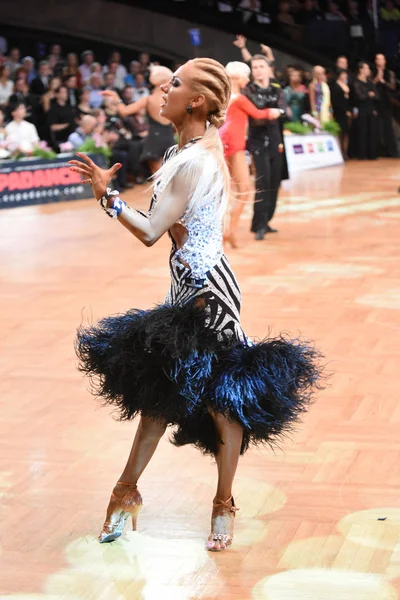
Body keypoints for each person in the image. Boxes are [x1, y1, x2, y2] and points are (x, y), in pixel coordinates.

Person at [69, 57, 323, 552]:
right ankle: (125, 492)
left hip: (210, 294)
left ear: (197, 101)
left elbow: (149, 233)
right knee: (156, 401)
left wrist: (109, 197)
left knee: (223, 405)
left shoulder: (196, 161)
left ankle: (223, 504)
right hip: (183, 291)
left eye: (175, 84)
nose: (164, 89)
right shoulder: (182, 152)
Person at [219, 61, 282, 248]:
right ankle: (228, 232)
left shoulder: (225, 96)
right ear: (238, 78)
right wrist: (274, 111)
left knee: (228, 190)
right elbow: (258, 114)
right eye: (246, 75)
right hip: (234, 143)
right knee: (244, 190)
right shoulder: (238, 98)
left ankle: (228, 231)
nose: (249, 78)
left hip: (223, 141)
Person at [242, 54, 288, 240]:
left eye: (261, 66)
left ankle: (267, 220)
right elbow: (255, 115)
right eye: (255, 67)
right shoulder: (248, 90)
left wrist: (274, 112)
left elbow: (284, 111)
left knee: (275, 182)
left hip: (276, 140)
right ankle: (258, 225)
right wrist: (270, 112)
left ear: (269, 68)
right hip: (257, 141)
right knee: (263, 182)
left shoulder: (277, 90)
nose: (258, 70)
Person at [103, 66, 175, 174]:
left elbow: (124, 111)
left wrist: (116, 97)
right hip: (169, 136)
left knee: (158, 175)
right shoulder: (173, 98)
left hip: (154, 138)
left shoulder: (148, 99)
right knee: (170, 173)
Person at [351, 61, 378, 160]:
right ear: (361, 70)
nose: (368, 70)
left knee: (372, 132)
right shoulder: (356, 82)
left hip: (371, 109)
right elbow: (360, 97)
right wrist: (369, 94)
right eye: (366, 68)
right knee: (362, 132)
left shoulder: (370, 82)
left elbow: (377, 95)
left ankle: (372, 154)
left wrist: (370, 95)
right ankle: (362, 154)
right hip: (361, 110)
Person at [373, 53, 397, 158]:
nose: (380, 61)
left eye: (382, 59)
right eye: (378, 59)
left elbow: (392, 87)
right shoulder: (372, 72)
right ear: (375, 61)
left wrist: (383, 82)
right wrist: (377, 79)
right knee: (376, 127)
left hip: (386, 102)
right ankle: (377, 151)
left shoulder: (389, 72)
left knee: (388, 128)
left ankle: (391, 151)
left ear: (385, 61)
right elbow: (368, 84)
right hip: (375, 103)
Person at [47, 84, 76, 149]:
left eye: (66, 92)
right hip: (61, 140)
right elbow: (53, 127)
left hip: (73, 138)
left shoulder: (70, 108)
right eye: (63, 92)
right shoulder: (53, 109)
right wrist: (67, 125)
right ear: (57, 94)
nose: (66, 94)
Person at [331, 69, 351, 159]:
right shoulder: (336, 86)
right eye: (343, 74)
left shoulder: (346, 85)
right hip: (339, 112)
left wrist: (349, 110)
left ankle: (345, 152)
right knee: (340, 132)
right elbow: (336, 101)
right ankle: (339, 152)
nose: (345, 76)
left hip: (347, 112)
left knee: (346, 132)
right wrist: (344, 110)